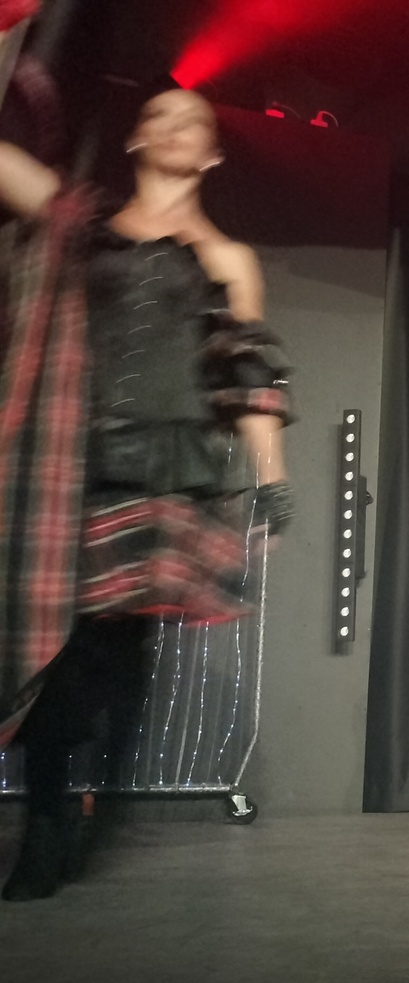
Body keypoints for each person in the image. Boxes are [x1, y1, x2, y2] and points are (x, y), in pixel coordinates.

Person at [0, 87, 293, 900]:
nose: (173, 126)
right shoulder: (77, 221)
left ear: (212, 154)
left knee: (101, 651)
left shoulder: (226, 258)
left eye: (192, 120)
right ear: (134, 138)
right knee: (52, 646)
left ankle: (58, 820)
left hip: (165, 472)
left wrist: (274, 487)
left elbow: (249, 378)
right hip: (66, 459)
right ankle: (61, 807)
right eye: (159, 114)